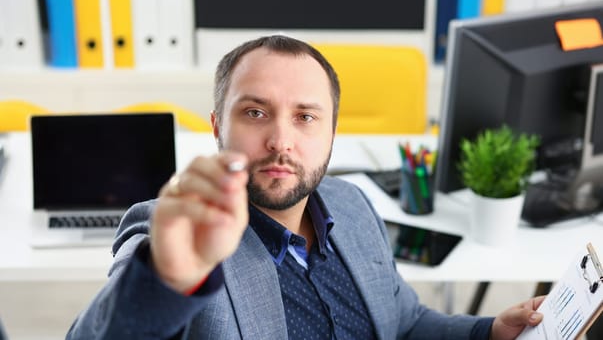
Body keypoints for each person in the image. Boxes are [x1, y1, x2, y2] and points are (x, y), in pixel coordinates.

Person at [66, 35, 544, 339]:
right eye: (255, 113)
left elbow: (405, 323)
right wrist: (168, 278)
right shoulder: (179, 233)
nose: (281, 141)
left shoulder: (352, 205)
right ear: (217, 126)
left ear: (333, 131)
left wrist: (490, 332)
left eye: (305, 117)